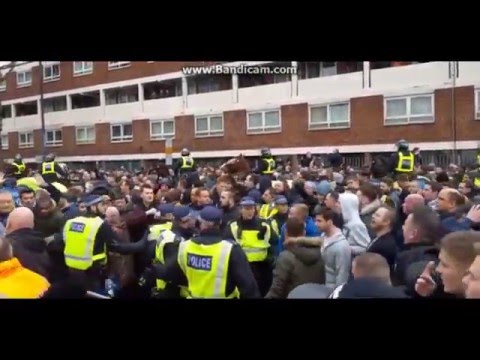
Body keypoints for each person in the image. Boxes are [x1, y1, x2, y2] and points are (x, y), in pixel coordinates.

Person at [160, 206, 260, 298]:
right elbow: (248, 287)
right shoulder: (231, 249)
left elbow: (170, 273)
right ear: (220, 222)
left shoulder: (184, 246)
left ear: (199, 221)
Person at [225, 197, 275, 296]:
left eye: (252, 208)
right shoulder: (233, 225)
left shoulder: (264, 224)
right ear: (240, 209)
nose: (250, 211)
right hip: (243, 267)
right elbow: (228, 246)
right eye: (246, 208)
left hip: (262, 267)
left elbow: (274, 241)